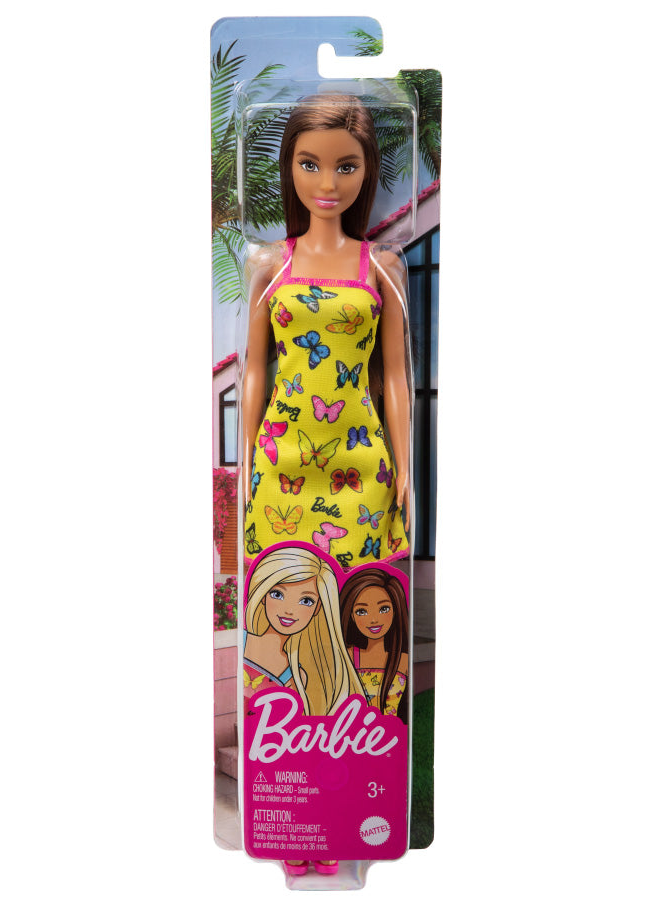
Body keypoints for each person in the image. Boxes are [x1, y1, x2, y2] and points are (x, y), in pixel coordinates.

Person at [242, 94, 412, 573]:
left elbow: (395, 376)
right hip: (281, 457)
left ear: (367, 170)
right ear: (289, 166)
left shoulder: (381, 265)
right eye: (310, 164)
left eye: (346, 167)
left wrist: (404, 466)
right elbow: (253, 370)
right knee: (283, 587)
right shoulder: (269, 265)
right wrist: (247, 457)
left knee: (361, 588)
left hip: (360, 457)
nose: (327, 184)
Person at [243, 544, 364, 877]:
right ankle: (295, 845)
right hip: (266, 764)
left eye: (306, 600)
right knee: (281, 797)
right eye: (278, 593)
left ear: (319, 608)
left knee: (314, 784)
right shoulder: (245, 646)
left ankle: (321, 839)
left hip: (299, 759)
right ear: (262, 593)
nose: (289, 609)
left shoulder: (309, 670)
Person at [340, 567, 410, 723]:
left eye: (384, 609)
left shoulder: (403, 661)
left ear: (395, 609)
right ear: (351, 616)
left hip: (391, 733)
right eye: (361, 611)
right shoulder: (346, 657)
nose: (373, 620)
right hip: (352, 732)